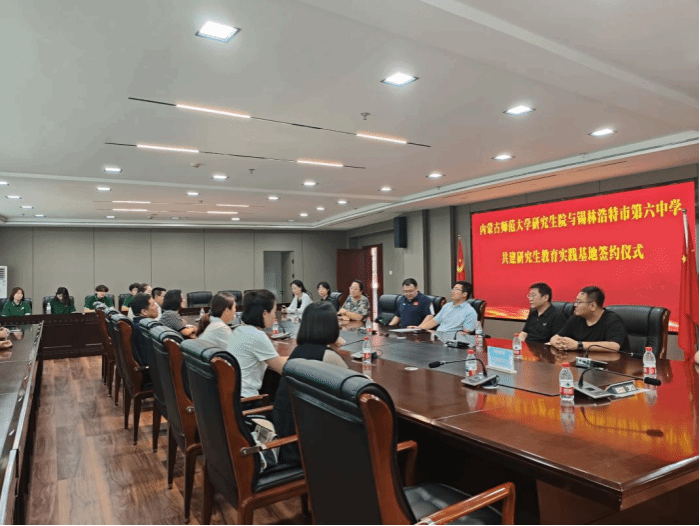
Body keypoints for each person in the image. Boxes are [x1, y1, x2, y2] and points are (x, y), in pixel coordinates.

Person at [272, 301, 348, 465]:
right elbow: (353, 388)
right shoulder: (327, 356)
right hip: (305, 446)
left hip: (286, 437)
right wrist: (334, 350)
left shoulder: (298, 351)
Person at [227, 290, 287, 399]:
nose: (275, 316)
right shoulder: (256, 336)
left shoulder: (239, 330)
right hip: (247, 400)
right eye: (274, 312)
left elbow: (273, 360)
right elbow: (283, 369)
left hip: (233, 395)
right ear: (264, 314)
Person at [550, 286, 630, 353]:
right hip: (583, 362)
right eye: (575, 301)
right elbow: (555, 337)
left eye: (579, 302)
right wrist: (557, 343)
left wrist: (578, 345)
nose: (575, 305)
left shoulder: (612, 319)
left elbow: (614, 346)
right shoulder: (575, 318)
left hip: (613, 364)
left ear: (592, 306)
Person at [410, 281, 479, 337]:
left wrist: (450, 336)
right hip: (438, 337)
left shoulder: (470, 311)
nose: (452, 291)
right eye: (453, 289)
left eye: (456, 289)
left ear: (464, 294)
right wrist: (419, 328)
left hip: (451, 341)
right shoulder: (447, 306)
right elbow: (434, 321)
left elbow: (467, 333)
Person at [130, 292, 160, 366]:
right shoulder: (146, 328)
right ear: (144, 312)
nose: (157, 306)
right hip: (153, 369)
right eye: (153, 304)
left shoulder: (136, 324)